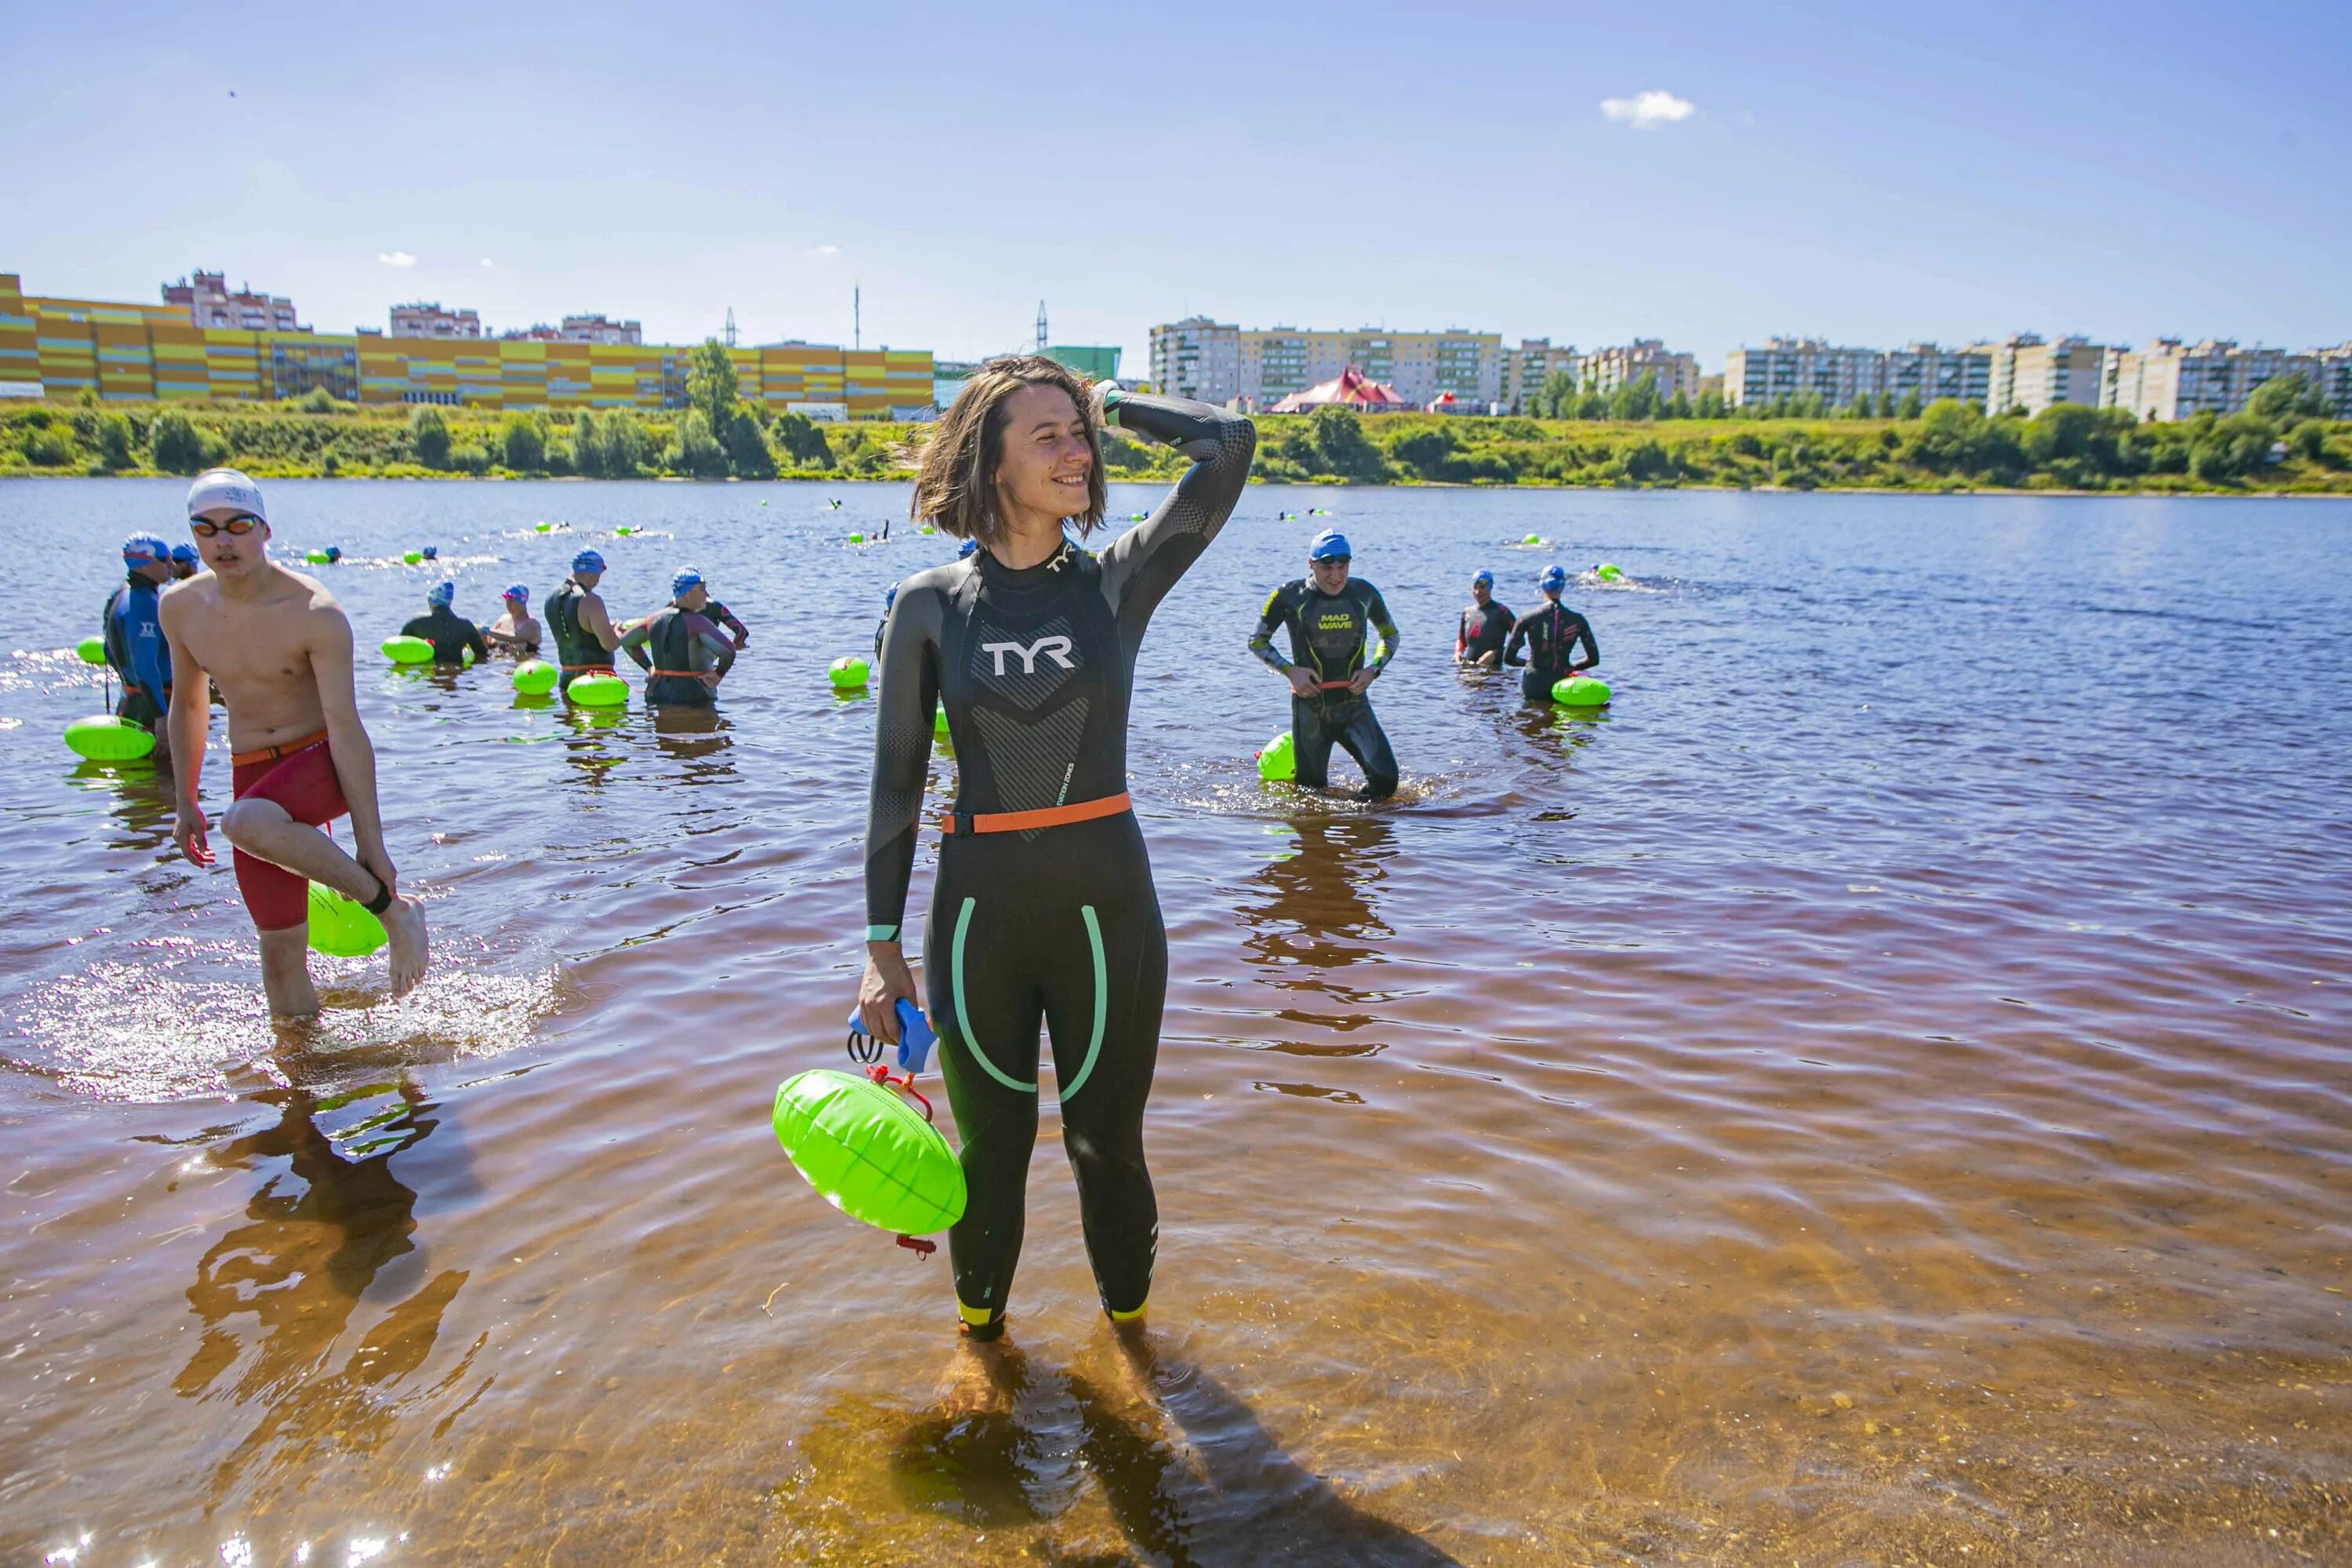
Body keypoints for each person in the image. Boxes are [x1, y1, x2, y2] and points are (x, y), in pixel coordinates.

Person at [859, 358, 1254, 1341]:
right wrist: (879, 946)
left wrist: (1104, 398)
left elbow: (1228, 445)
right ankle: (978, 1349)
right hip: (976, 918)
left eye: (1081, 437)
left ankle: (1131, 1343)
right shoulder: (929, 604)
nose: (1077, 453)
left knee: (1104, 1145)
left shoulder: (1119, 581)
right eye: (1050, 437)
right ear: (993, 463)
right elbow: (896, 784)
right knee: (989, 1156)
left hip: (1105, 910)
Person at [159, 468, 428, 1017]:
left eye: (238, 525)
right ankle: (306, 1084)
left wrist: (371, 843)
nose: (224, 541)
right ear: (194, 536)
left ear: (265, 529)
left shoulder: (315, 613)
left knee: (242, 823)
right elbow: (188, 704)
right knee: (279, 954)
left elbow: (347, 727)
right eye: (207, 529)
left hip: (318, 762)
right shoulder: (180, 608)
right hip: (251, 771)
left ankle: (392, 911)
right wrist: (185, 800)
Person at [1249, 528, 1400, 800]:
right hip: (1311, 709)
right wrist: (1290, 671)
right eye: (1327, 567)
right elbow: (1257, 641)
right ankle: (1324, 833)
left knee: (1386, 781)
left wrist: (1374, 669)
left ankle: (1357, 824)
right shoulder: (1289, 596)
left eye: (1343, 566)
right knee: (1311, 795)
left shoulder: (1363, 593)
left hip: (1354, 705)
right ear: (1311, 565)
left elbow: (1390, 635)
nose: (1336, 576)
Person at [103, 533, 176, 760]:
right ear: (146, 563)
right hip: (152, 708)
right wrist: (161, 718)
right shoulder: (142, 604)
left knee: (143, 786)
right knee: (167, 781)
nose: (172, 565)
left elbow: (109, 651)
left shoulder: (121, 594)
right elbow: (145, 666)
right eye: (165, 559)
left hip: (134, 702)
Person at [619, 567, 735, 706]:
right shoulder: (697, 622)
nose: (706, 595)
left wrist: (650, 668)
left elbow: (626, 641)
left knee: (662, 726)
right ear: (687, 593)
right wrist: (718, 674)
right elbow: (729, 651)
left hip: (658, 691)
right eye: (702, 589)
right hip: (694, 693)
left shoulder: (653, 620)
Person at [1504, 564, 1600, 703]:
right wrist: (1570, 668)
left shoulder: (1527, 618)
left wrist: (1528, 663)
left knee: (1532, 718)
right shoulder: (1578, 620)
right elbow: (1594, 659)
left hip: (1534, 684)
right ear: (1562, 586)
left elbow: (1508, 659)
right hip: (1562, 682)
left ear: (1542, 586)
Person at [545, 549, 622, 694]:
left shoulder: (551, 599)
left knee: (571, 716)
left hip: (567, 678)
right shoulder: (590, 600)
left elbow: (573, 628)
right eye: (599, 574)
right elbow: (610, 644)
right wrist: (618, 632)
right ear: (592, 572)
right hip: (595, 681)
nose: (598, 580)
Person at [399, 581, 491, 667]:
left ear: (431, 600)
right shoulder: (466, 626)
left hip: (432, 674)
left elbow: (398, 652)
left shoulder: (416, 624)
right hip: (458, 674)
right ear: (450, 601)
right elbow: (483, 656)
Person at [1454, 568, 1513, 670]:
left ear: (1490, 588)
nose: (1477, 592)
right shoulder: (1467, 612)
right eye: (1475, 587)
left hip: (1493, 674)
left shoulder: (1502, 612)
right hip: (1469, 672)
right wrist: (1458, 652)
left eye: (1482, 588)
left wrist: (1496, 654)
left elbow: (1519, 641)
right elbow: (1462, 640)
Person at [482, 584, 542, 656]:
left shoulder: (531, 624)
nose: (508, 604)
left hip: (524, 663)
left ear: (522, 602)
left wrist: (486, 630)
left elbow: (514, 637)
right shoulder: (503, 619)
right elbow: (489, 639)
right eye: (506, 600)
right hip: (500, 664)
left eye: (512, 601)